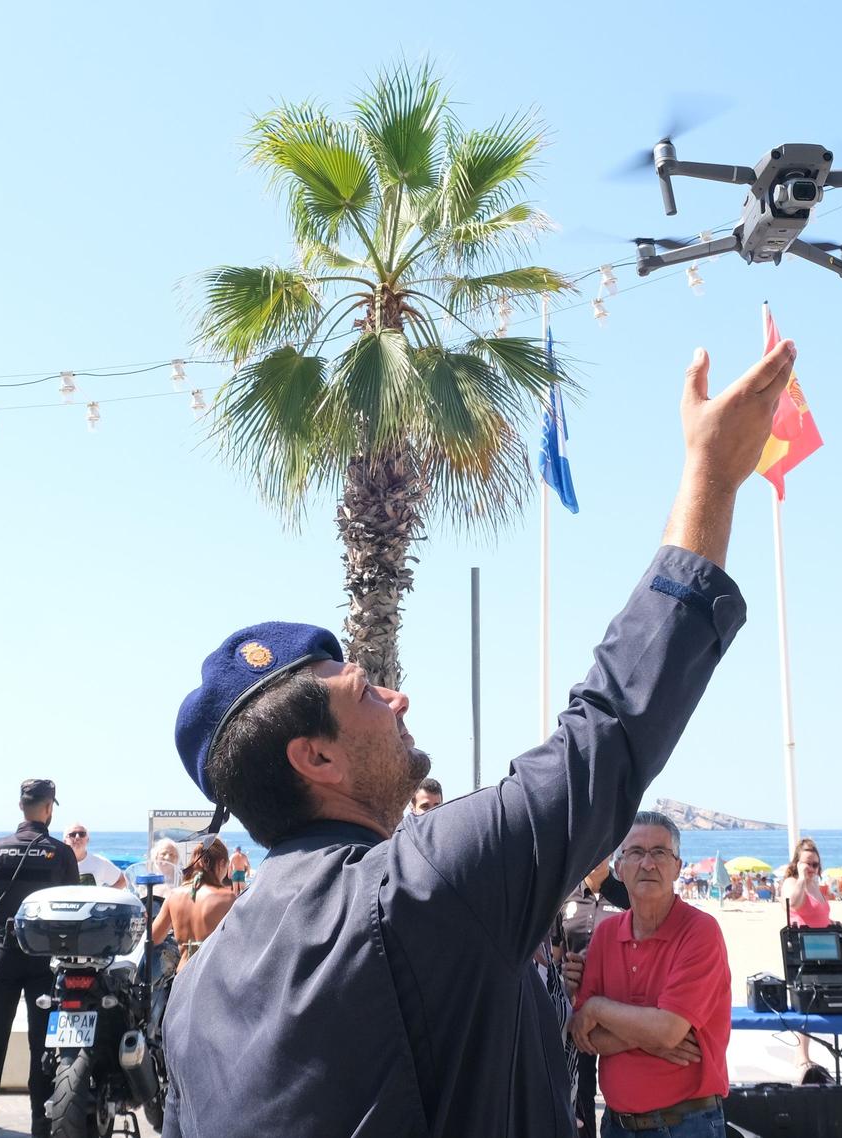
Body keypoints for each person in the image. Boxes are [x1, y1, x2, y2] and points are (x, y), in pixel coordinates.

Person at [160, 339, 788, 1136]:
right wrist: (712, 476)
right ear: (314, 756)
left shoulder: (195, 989)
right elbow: (609, 730)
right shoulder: (412, 891)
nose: (397, 695)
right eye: (364, 690)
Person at [569, 812, 730, 1138]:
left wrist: (600, 1009)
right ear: (620, 868)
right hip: (615, 1125)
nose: (648, 863)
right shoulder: (606, 935)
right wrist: (649, 1036)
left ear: (678, 867)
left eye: (659, 852)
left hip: (686, 1125)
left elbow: (668, 1032)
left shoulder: (700, 932)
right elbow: (584, 1036)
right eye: (636, 853)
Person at [0, 778, 79, 1138]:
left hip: (2, 956)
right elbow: (70, 908)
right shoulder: (61, 853)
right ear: (49, 809)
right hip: (43, 961)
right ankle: (40, 1126)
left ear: (21, 807)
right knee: (43, 1045)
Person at [558, 857, 630, 1135]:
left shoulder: (628, 895)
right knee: (580, 1093)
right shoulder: (564, 895)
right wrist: (564, 975)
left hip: (620, 1009)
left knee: (621, 1089)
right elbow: (554, 954)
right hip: (576, 1011)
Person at [778, 836, 832, 1075]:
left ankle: (806, 1053)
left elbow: (822, 918)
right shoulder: (792, 882)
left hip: (823, 948)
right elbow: (794, 904)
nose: (812, 869)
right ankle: (801, 1055)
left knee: (819, 998)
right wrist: (801, 877)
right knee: (806, 1001)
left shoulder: (818, 888)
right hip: (801, 948)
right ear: (797, 863)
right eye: (808, 863)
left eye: (815, 864)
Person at [149, 835, 237, 972]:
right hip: (213, 977)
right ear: (221, 863)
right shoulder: (228, 898)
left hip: (183, 977)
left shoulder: (174, 896)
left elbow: (154, 938)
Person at [62, 823, 129, 889]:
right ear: (65, 841)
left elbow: (122, 880)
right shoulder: (57, 862)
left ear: (87, 840)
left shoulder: (100, 862)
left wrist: (106, 897)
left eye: (82, 834)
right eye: (73, 834)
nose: (77, 837)